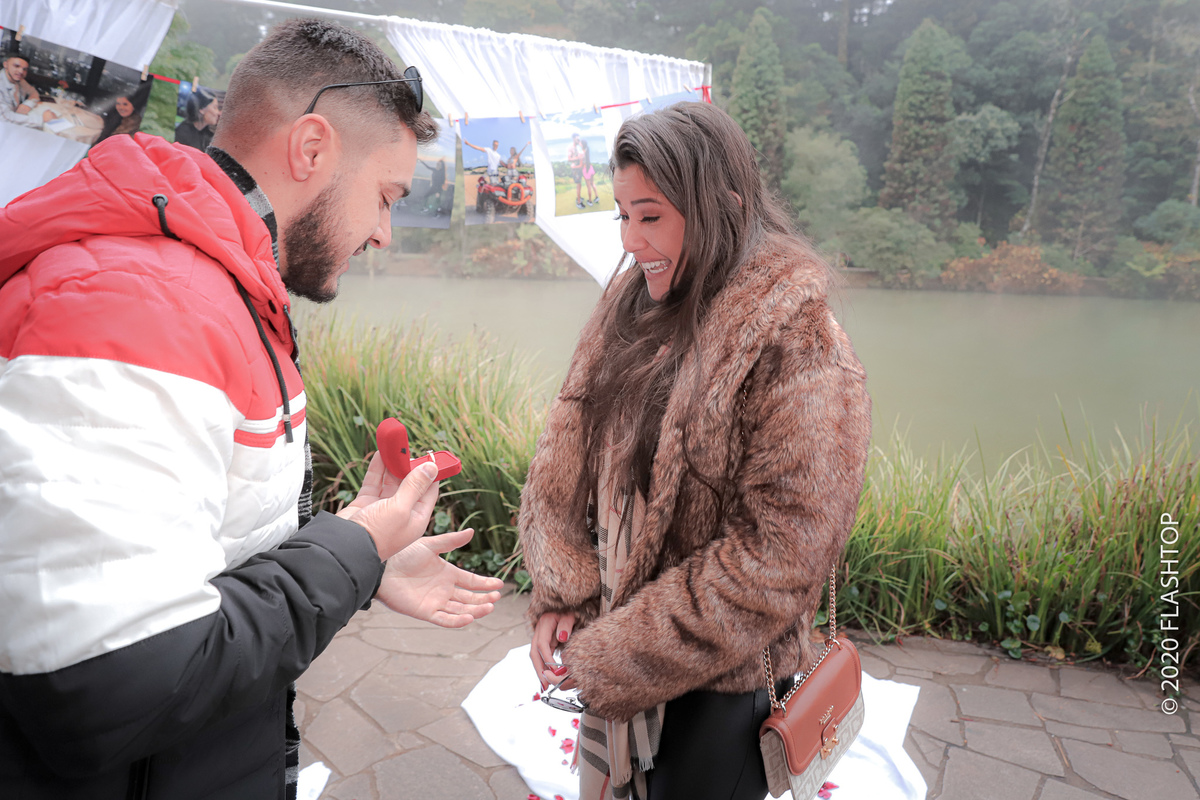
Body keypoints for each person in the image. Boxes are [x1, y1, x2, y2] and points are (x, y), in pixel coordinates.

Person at [0, 18, 503, 799]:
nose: (383, 233)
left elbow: (204, 546)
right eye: (385, 197)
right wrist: (350, 549)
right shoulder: (141, 300)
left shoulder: (218, 282)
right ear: (311, 149)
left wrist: (363, 559)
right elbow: (108, 681)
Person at [518, 102, 871, 800]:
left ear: (723, 207)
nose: (631, 240)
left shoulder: (799, 342)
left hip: (723, 685)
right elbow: (570, 441)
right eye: (622, 215)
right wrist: (564, 587)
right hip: (611, 635)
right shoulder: (633, 301)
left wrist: (617, 655)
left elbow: (778, 560)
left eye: (650, 216)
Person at [1, 51, 57, 128]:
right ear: (5, 64)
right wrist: (42, 119)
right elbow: (4, 119)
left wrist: (27, 105)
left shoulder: (17, 79)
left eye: (24, 69)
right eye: (16, 66)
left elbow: (33, 92)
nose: (21, 71)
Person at [174, 86, 221, 151]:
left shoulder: (207, 135)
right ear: (202, 109)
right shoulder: (182, 133)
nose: (218, 113)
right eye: (215, 107)